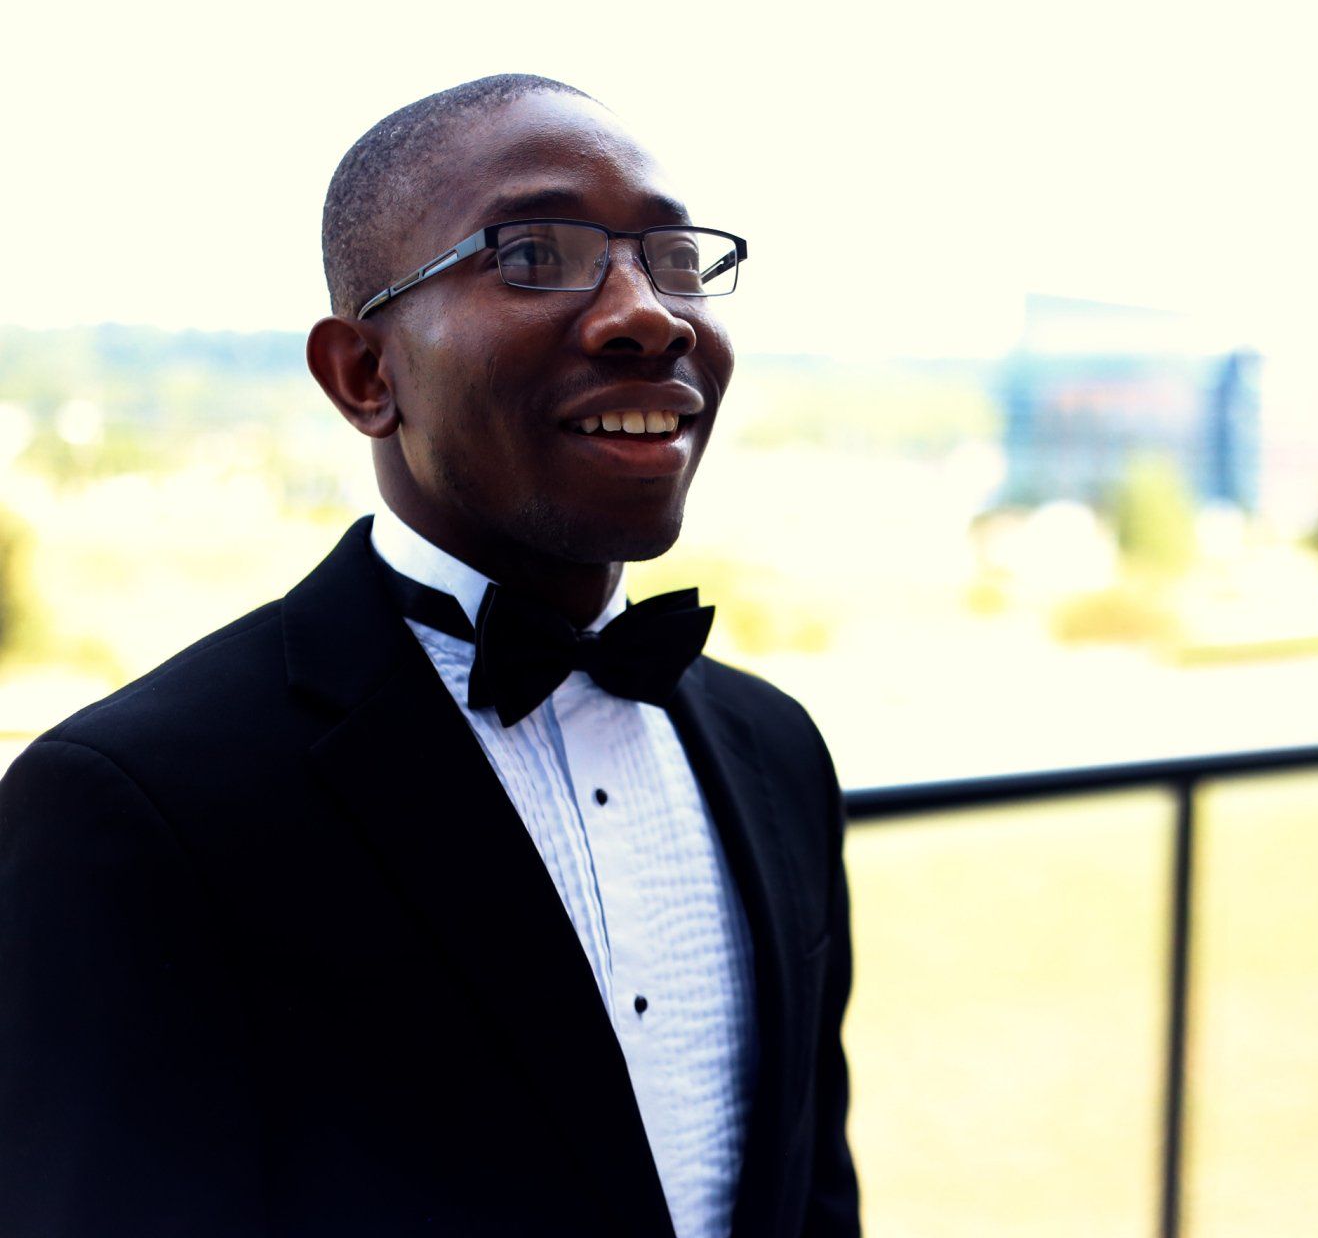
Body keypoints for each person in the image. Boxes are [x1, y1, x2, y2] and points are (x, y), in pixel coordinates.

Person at [0, 74, 859, 1238]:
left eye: (673, 259)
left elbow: (810, 1198)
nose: (648, 312)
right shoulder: (134, 807)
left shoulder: (779, 752)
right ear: (364, 376)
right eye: (534, 252)